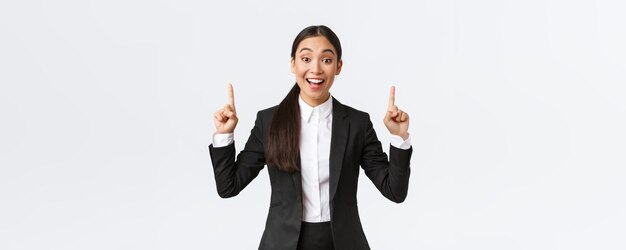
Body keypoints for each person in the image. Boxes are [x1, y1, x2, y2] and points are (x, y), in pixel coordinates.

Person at [209, 25, 412, 250]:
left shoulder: (357, 123)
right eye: (306, 58)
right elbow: (229, 186)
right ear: (293, 64)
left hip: (343, 243)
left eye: (326, 60)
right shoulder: (269, 122)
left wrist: (399, 137)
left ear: (338, 66)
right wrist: (224, 134)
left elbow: (395, 191)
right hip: (283, 243)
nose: (315, 69)